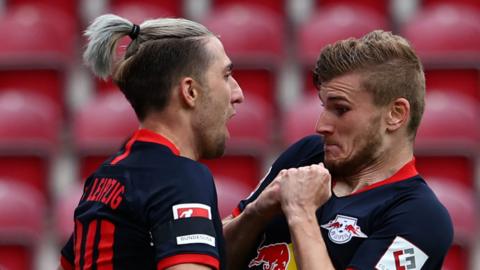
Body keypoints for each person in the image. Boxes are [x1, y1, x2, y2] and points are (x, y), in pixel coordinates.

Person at [223, 30, 453, 269]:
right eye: (324, 107)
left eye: (341, 109)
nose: (321, 126)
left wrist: (300, 213)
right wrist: (256, 213)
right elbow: (211, 258)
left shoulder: (420, 217)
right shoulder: (306, 155)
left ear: (396, 114)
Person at [59, 14, 244, 270]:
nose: (238, 94)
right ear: (190, 91)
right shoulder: (181, 179)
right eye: (226, 75)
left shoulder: (104, 178)